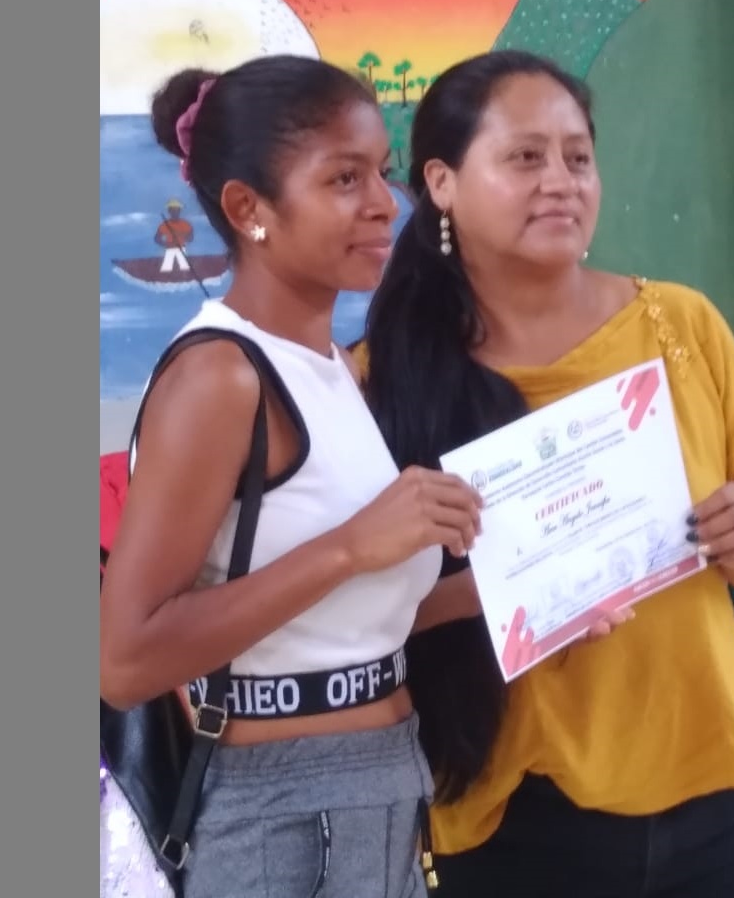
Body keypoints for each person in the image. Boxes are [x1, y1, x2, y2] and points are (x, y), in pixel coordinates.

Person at [359, 49, 734, 898]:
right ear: (441, 183)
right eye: (524, 157)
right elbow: (348, 619)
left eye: (578, 157)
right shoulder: (380, 381)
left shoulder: (680, 325)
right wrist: (513, 593)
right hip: (511, 816)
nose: (561, 182)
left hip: (720, 788)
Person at [98, 55, 484, 898]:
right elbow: (125, 660)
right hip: (286, 824)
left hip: (383, 794)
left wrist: (526, 586)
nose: (384, 203)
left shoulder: (331, 366)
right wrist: (349, 547)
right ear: (249, 209)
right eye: (344, 178)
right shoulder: (221, 376)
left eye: (381, 171)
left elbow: (339, 622)